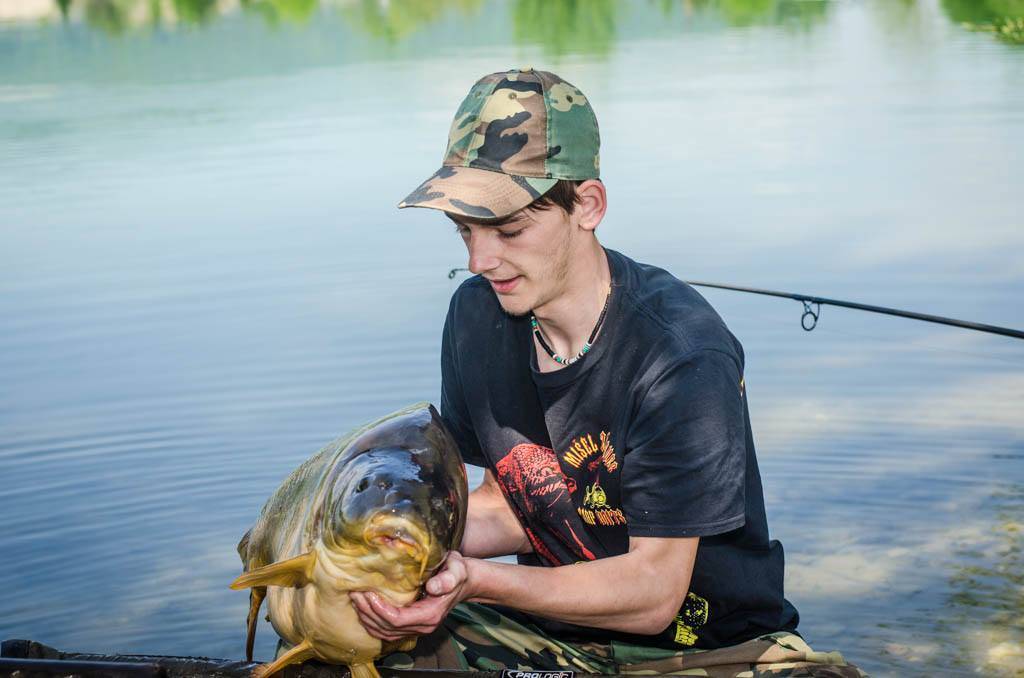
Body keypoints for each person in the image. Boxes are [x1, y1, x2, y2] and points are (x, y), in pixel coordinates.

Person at [349, 68, 861, 677]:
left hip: (711, 650)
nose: (480, 260)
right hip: (551, 639)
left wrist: (475, 581)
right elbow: (512, 508)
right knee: (352, 638)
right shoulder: (477, 317)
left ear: (587, 205)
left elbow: (653, 593)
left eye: (510, 229)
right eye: (465, 230)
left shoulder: (681, 356)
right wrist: (379, 544)